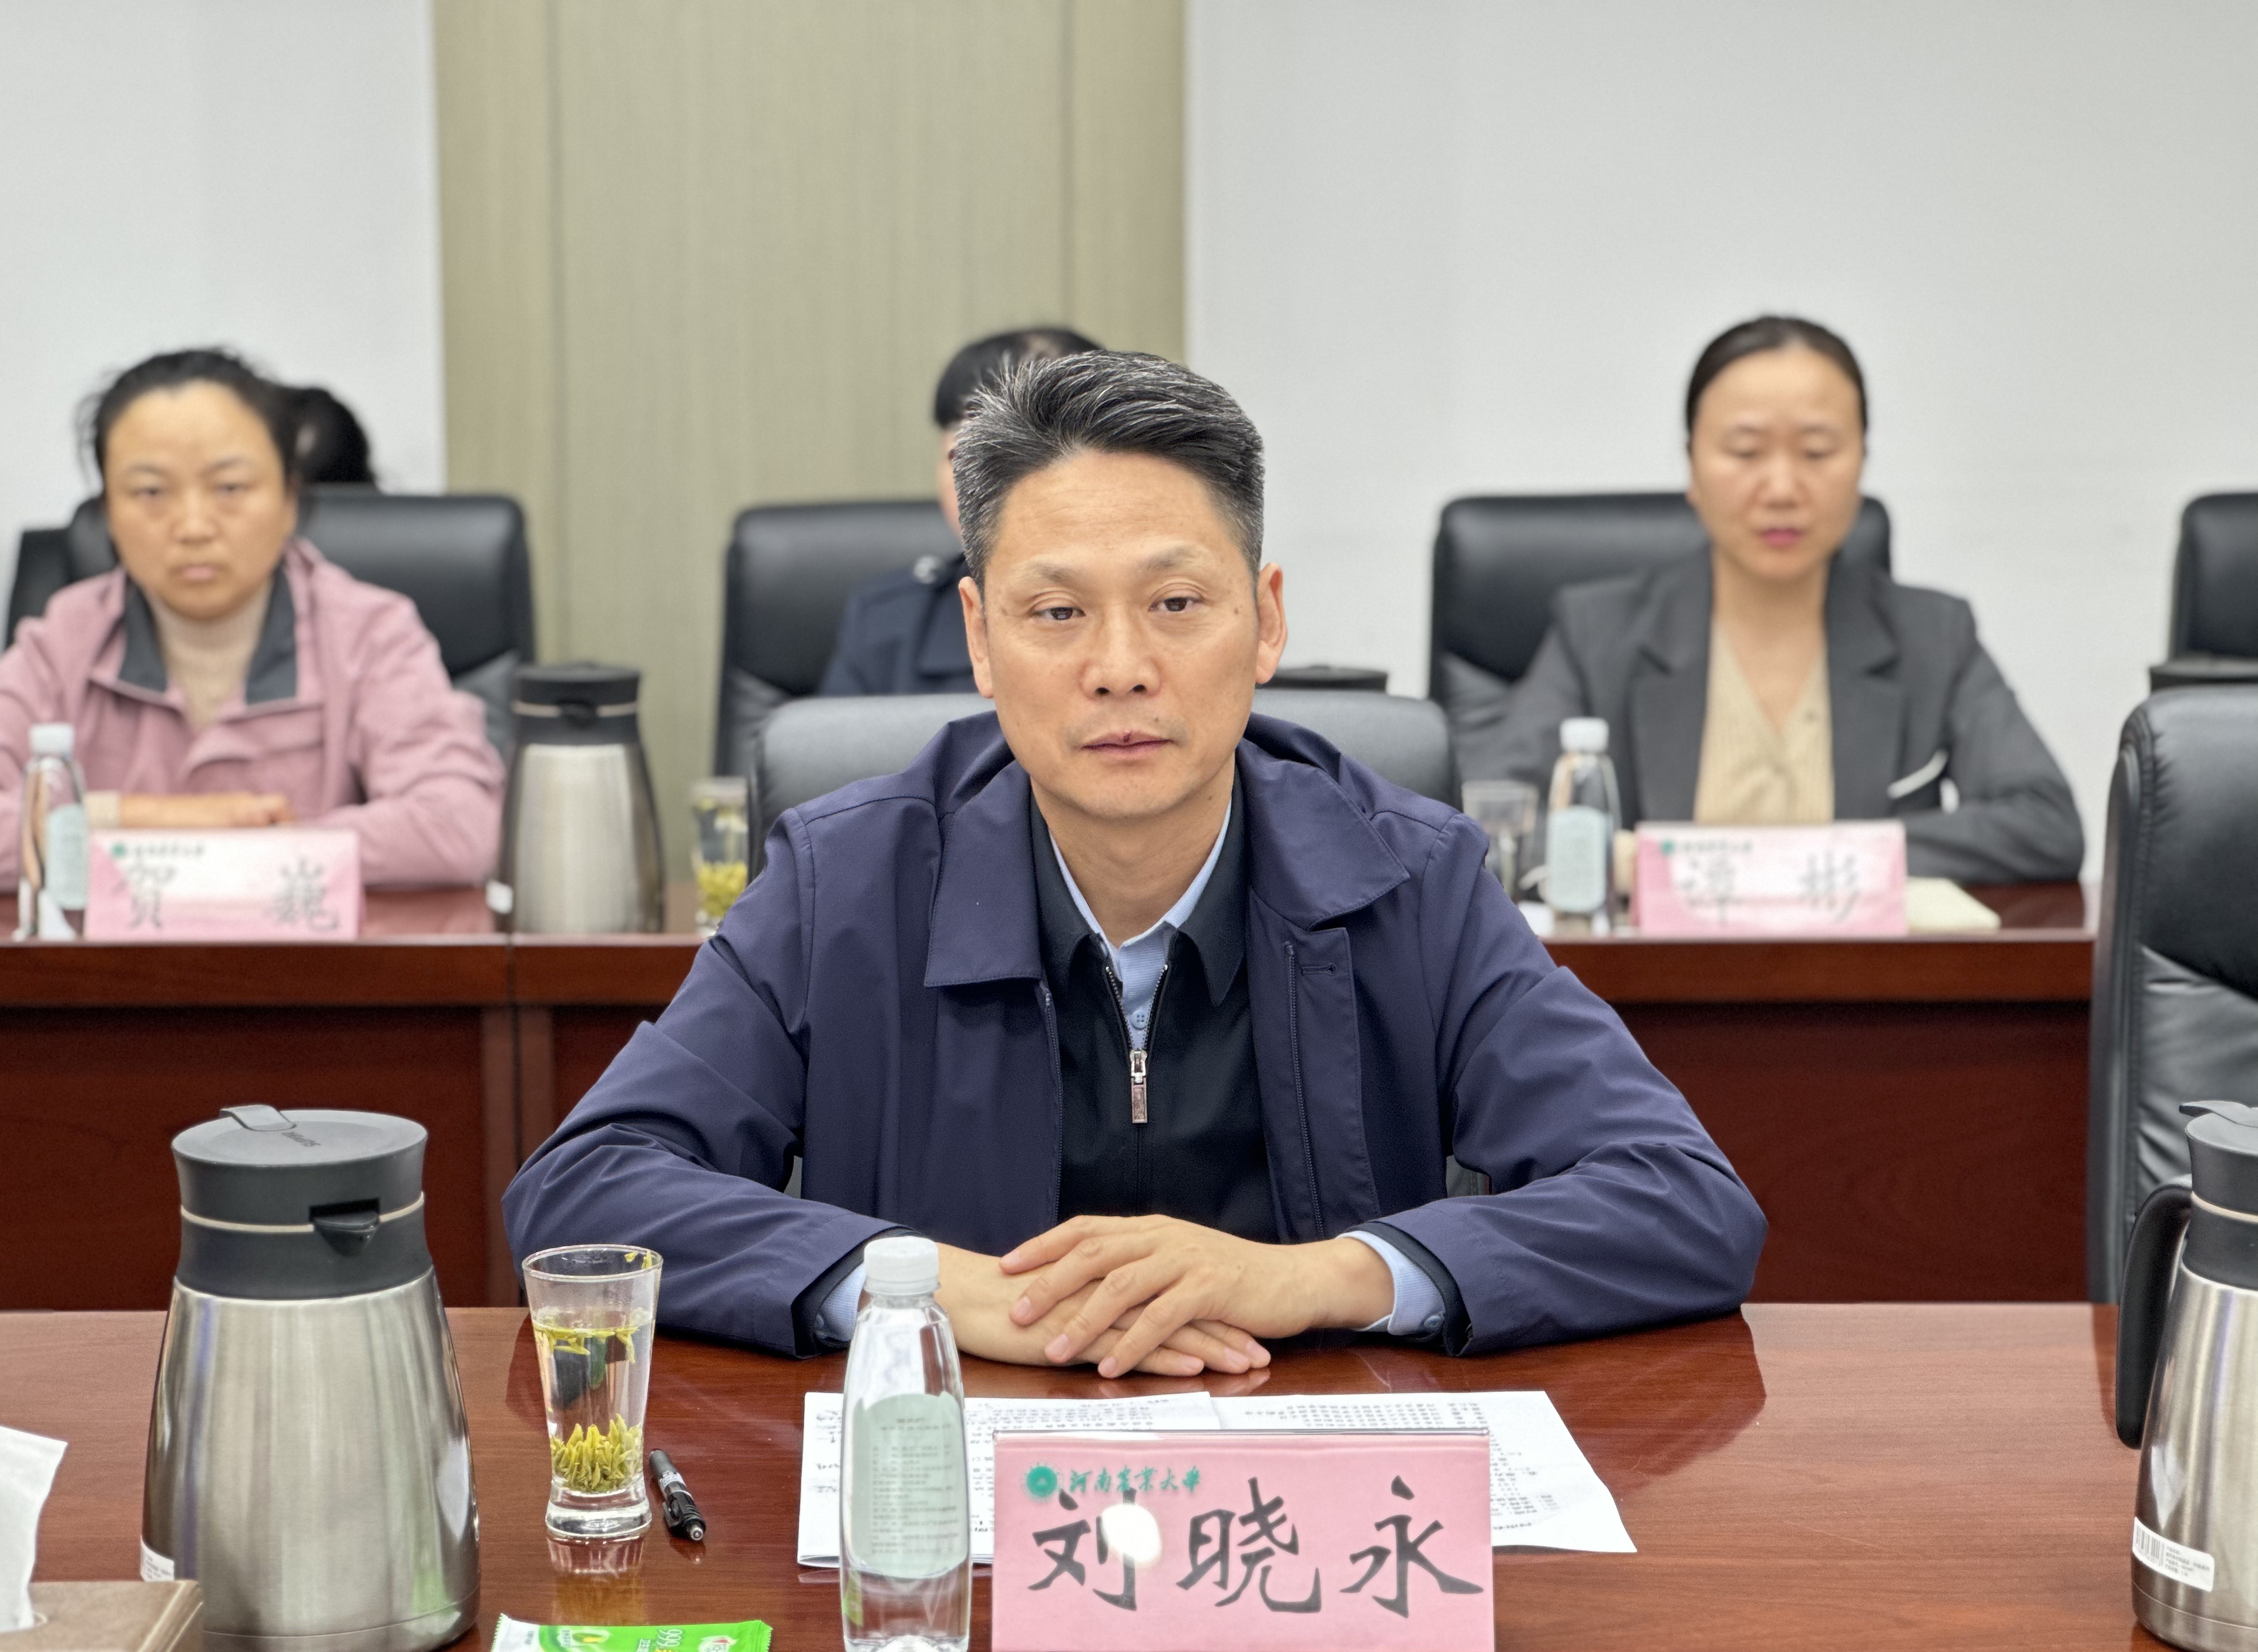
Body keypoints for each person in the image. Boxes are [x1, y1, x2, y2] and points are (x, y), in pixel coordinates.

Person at [506, 351, 1764, 1374]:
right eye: (1056, 612)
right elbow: (582, 1194)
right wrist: (936, 1292)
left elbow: (1682, 1199)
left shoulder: (1406, 877)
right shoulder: (850, 879)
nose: (1119, 668)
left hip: (1302, 1504)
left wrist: (1314, 1278)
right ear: (979, 639)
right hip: (956, 1500)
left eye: (1175, 603)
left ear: (1266, 620)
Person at [1470, 316, 2082, 883]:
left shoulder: (1933, 635)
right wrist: (1633, 865)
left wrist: (1811, 862)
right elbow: (1488, 828)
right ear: (1692, 465)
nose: (1783, 488)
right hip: (1657, 967)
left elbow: (2045, 824)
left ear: (1862, 461)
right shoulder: (1599, 633)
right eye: (1745, 452)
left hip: (1863, 966)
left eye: (1817, 452)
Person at [0, 348, 502, 888]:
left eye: (230, 488)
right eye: (150, 491)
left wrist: (222, 851)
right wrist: (154, 819)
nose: (194, 526)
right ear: (107, 515)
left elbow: (458, 825)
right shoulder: (68, 636)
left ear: (289, 500)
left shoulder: (369, 632)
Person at [817, 326, 1101, 696]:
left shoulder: (1168, 607)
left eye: (1031, 456)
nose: (991, 484)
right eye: (964, 456)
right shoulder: (885, 623)